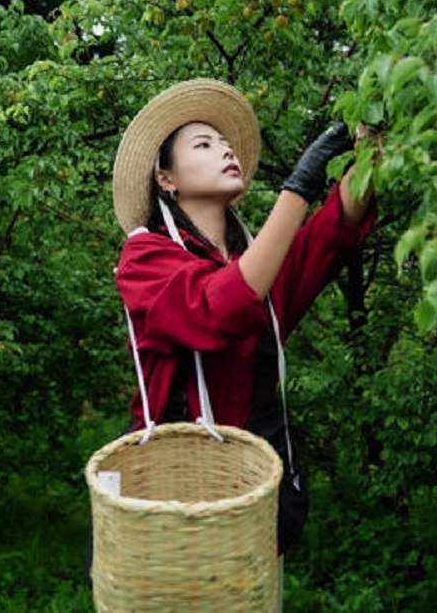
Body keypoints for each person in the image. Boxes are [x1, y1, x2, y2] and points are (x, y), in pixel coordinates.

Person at [111, 78, 377, 556]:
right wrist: (298, 186)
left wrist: (373, 150)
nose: (226, 150)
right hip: (174, 498)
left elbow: (334, 230)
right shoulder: (144, 257)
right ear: (165, 178)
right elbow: (219, 307)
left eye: (226, 143)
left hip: (252, 492)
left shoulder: (255, 261)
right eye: (204, 144)